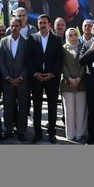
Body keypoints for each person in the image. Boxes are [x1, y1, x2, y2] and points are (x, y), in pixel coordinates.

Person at [26, 14, 63, 143]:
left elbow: (60, 59)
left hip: (52, 78)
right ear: (38, 24)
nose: (42, 25)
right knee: (37, 106)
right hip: (36, 78)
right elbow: (28, 59)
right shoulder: (31, 38)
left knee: (52, 106)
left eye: (44, 23)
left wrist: (52, 74)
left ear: (49, 24)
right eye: (40, 23)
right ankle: (37, 133)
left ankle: (52, 133)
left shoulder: (57, 39)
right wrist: (35, 73)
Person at [0, 17, 29, 141]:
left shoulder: (27, 41)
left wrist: (21, 77)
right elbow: (1, 61)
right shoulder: (3, 41)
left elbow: (29, 62)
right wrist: (7, 77)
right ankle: (8, 130)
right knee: (8, 106)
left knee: (23, 107)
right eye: (12, 26)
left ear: (21, 27)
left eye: (17, 26)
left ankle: (21, 131)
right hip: (8, 81)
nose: (14, 28)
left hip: (23, 81)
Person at [61, 28, 87, 142]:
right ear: (67, 37)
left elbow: (84, 65)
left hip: (81, 83)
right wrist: (70, 79)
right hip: (68, 84)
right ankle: (71, 134)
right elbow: (63, 66)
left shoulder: (83, 47)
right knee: (69, 111)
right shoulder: (63, 48)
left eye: (75, 34)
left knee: (81, 110)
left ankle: (80, 133)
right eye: (70, 35)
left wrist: (79, 78)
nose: (73, 37)